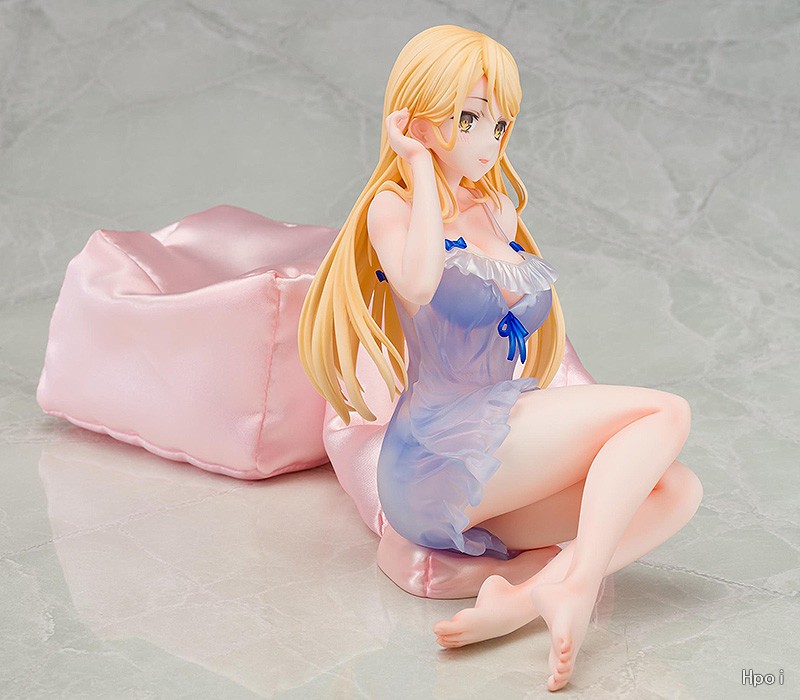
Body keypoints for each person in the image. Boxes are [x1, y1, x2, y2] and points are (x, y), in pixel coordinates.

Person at [298, 24, 703, 693]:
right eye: (469, 118)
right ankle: (575, 587)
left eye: (500, 122)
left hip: (493, 446)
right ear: (419, 115)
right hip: (436, 453)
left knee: (677, 490)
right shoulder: (392, 209)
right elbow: (419, 283)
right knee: (667, 412)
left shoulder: (496, 211)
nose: (489, 139)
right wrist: (417, 164)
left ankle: (522, 601)